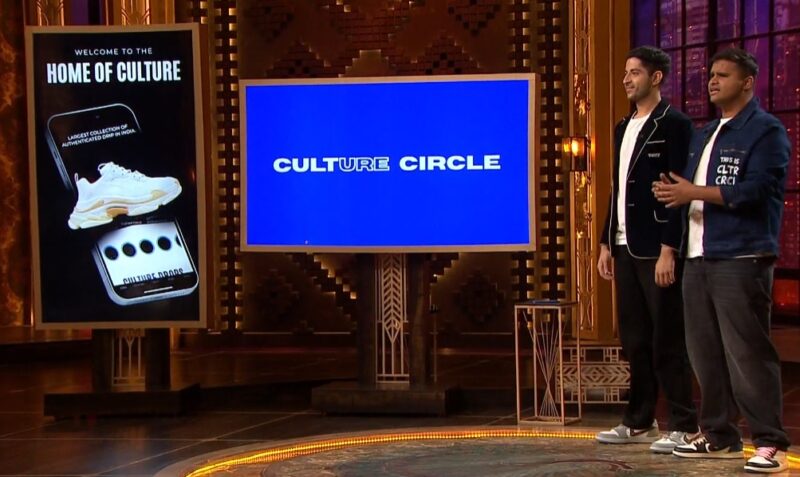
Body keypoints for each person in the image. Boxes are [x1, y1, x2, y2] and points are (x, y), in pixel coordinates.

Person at [653, 47, 791, 473]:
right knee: (704, 353)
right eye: (711, 74)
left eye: (723, 75)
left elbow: (756, 191)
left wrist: (692, 192)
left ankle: (769, 442)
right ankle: (718, 434)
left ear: (747, 83)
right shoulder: (706, 132)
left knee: (747, 353)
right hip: (697, 258)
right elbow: (688, 193)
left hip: (740, 256)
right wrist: (675, 200)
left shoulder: (766, 131)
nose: (712, 81)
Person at [595, 46, 699, 454]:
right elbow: (617, 188)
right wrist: (606, 241)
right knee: (634, 339)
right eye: (625, 72)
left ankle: (683, 423)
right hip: (624, 246)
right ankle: (639, 421)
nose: (626, 79)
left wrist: (669, 249)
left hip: (657, 248)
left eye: (635, 72)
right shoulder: (623, 127)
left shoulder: (675, 124)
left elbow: (678, 192)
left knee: (667, 339)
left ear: (656, 78)